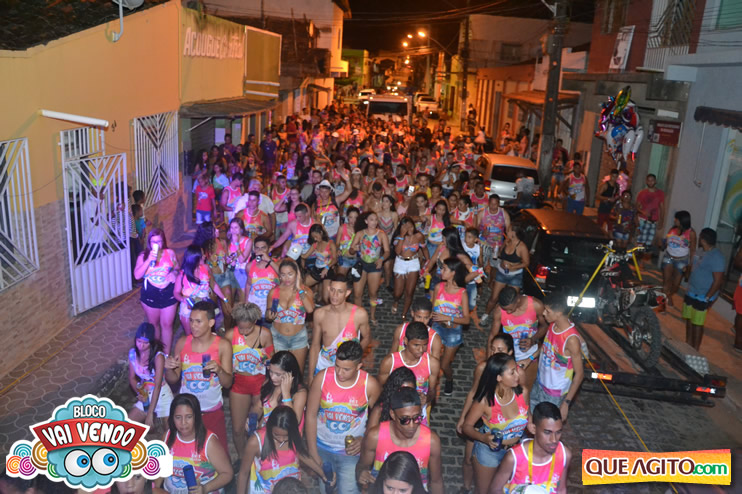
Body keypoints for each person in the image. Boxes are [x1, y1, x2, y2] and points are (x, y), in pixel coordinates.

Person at [305, 341, 381, 494]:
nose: (339, 373)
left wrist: (364, 440)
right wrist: (313, 453)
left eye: (346, 369)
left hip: (351, 454)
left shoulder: (370, 385)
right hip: (322, 447)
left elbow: (379, 419)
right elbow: (311, 415)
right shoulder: (322, 378)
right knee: (325, 489)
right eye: (337, 366)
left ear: (358, 366)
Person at [165, 301, 234, 455]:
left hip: (212, 411)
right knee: (189, 454)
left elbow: (228, 383)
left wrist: (219, 370)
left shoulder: (223, 345)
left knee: (218, 454)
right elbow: (174, 379)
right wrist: (168, 369)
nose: (193, 326)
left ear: (211, 323)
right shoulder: (182, 343)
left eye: (198, 321)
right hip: (187, 413)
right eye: (191, 321)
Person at [457, 333, 518, 494]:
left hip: (500, 424)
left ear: (509, 352)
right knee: (469, 459)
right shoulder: (482, 368)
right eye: (492, 349)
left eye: (500, 350)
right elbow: (473, 392)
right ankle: (466, 487)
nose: (494, 353)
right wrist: (463, 418)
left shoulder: (514, 375)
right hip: (479, 419)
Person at [462, 353, 529, 494]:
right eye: (512, 372)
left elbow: (527, 414)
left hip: (515, 452)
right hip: (489, 453)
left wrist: (532, 423)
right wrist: (483, 438)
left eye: (516, 369)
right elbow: (466, 427)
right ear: (499, 378)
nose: (518, 374)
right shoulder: (485, 401)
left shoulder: (523, 392)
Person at [356, 388, 444, 494]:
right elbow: (362, 466)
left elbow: (436, 481)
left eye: (417, 418)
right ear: (392, 414)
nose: (412, 425)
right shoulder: (375, 436)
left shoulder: (431, 441)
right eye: (405, 420)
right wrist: (361, 473)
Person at [236, 406, 328, 494]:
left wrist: (322, 473)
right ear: (269, 427)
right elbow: (244, 473)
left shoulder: (293, 436)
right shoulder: (256, 442)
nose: (281, 439)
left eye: (286, 436)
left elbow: (302, 454)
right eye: (276, 435)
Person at [488, 402, 571, 494]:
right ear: (533, 429)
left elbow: (561, 490)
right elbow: (495, 490)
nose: (554, 439)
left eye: (558, 432)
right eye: (547, 432)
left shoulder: (564, 455)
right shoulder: (514, 457)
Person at [157, 394, 233, 494]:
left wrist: (205, 488)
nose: (183, 422)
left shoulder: (209, 442)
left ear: (196, 417)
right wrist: (155, 488)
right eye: (178, 417)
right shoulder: (167, 437)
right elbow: (161, 468)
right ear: (172, 418)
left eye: (188, 417)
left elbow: (227, 473)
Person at [226, 302, 274, 457]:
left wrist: (268, 362)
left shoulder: (264, 334)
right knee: (238, 429)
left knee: (256, 427)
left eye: (248, 328)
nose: (244, 332)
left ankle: (258, 458)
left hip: (260, 384)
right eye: (241, 328)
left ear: (255, 322)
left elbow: (272, 361)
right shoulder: (230, 336)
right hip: (239, 385)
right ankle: (243, 459)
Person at [530, 293, 584, 422]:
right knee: (532, 420)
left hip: (554, 393)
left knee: (545, 426)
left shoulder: (571, 340)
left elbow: (580, 374)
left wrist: (566, 403)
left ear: (558, 313)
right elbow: (546, 347)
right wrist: (530, 358)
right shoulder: (552, 325)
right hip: (539, 383)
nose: (543, 313)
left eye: (547, 311)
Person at [309, 275, 371, 380]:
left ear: (347, 293)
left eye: (340, 291)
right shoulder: (320, 314)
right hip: (324, 365)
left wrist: (353, 355)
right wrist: (310, 376)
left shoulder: (359, 314)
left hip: (347, 368)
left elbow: (367, 337)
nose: (335, 295)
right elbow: (315, 345)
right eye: (332, 290)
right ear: (328, 289)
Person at [378, 322, 440, 423]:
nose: (421, 350)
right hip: (393, 414)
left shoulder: (432, 363)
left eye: (425, 345)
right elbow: (380, 389)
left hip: (418, 416)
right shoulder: (390, 362)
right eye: (416, 345)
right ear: (406, 341)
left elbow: (432, 390)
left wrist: (426, 398)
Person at [489, 287, 547, 390]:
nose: (508, 312)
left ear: (518, 300)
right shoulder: (499, 310)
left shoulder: (536, 305)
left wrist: (533, 339)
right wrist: (489, 361)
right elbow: (492, 336)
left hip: (529, 357)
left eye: (510, 309)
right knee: (504, 390)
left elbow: (545, 326)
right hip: (507, 357)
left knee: (525, 389)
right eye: (505, 309)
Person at [134, 229, 179, 352]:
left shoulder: (170, 253)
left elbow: (177, 268)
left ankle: (166, 355)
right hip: (151, 293)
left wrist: (174, 274)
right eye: (153, 242)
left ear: (163, 241)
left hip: (168, 293)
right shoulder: (143, 256)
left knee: (167, 325)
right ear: (149, 242)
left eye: (159, 241)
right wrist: (149, 260)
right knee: (154, 324)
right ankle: (157, 353)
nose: (157, 244)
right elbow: (137, 276)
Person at [431, 257, 471, 396]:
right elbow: (433, 309)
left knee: (444, 364)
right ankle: (429, 383)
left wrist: (448, 318)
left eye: (444, 269)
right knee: (432, 359)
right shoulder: (439, 287)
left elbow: (466, 320)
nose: (441, 271)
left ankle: (449, 379)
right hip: (437, 327)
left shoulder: (462, 293)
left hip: (453, 332)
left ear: (453, 272)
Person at [266, 259, 314, 372]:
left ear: (297, 274)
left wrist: (300, 289)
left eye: (290, 274)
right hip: (277, 337)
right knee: (278, 372)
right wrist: (269, 315)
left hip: (298, 338)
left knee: (297, 372)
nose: (286, 278)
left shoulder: (305, 291)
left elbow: (310, 309)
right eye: (283, 275)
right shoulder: (273, 292)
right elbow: (267, 314)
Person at [682, 228, 725, 350]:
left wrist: (707, 297)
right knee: (689, 319)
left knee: (697, 323)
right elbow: (694, 267)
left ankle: (695, 349)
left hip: (702, 295)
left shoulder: (717, 257)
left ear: (703, 239)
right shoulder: (700, 251)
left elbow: (718, 281)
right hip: (691, 291)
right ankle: (687, 344)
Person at [174, 244, 229, 336]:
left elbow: (213, 284)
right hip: (189, 310)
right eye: (202, 254)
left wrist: (224, 298)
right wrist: (184, 299)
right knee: (192, 336)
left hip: (205, 307)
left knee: (206, 334)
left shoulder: (206, 268)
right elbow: (176, 293)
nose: (204, 256)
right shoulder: (182, 275)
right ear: (195, 258)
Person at [127, 322, 173, 429]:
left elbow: (157, 386)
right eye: (139, 341)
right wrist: (139, 393)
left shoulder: (158, 357)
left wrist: (150, 413)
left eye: (145, 343)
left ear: (151, 342)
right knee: (126, 425)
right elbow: (132, 377)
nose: (141, 345)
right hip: (146, 395)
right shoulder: (133, 354)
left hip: (162, 395)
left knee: (170, 431)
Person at [350, 211, 390, 325]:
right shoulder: (360, 233)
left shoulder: (381, 234)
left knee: (373, 293)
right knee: (357, 293)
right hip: (361, 264)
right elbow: (351, 250)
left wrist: (381, 259)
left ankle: (372, 315)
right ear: (366, 221)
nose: (374, 222)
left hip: (374, 265)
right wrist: (354, 249)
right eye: (371, 220)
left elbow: (387, 251)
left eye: (376, 220)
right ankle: (358, 316)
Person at [483, 225, 530, 321]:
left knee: (512, 300)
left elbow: (526, 263)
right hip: (501, 273)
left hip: (515, 276)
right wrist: (498, 250)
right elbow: (500, 254)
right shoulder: (506, 241)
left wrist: (513, 267)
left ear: (513, 233)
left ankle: (511, 320)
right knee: (494, 297)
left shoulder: (522, 247)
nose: (506, 232)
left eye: (508, 230)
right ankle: (485, 315)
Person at [391, 217, 427, 318]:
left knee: (409, 292)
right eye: (406, 227)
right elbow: (398, 251)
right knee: (398, 292)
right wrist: (402, 236)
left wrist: (428, 262)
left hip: (413, 262)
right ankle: (396, 300)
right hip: (400, 262)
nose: (409, 229)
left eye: (410, 226)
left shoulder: (419, 236)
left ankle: (404, 313)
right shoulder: (398, 237)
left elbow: (424, 249)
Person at [259, 351, 307, 427]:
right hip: (265, 430)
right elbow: (261, 409)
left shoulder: (300, 392)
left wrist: (286, 394)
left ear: (290, 374)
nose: (272, 377)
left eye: (278, 374)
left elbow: (294, 421)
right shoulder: (269, 383)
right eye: (271, 372)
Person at [662, 210, 696, 307]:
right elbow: (666, 242)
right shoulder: (672, 229)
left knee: (676, 285)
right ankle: (662, 304)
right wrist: (662, 243)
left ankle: (668, 295)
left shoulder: (691, 233)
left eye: (676, 219)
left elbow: (693, 250)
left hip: (682, 261)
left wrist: (691, 265)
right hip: (668, 257)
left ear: (682, 220)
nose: (674, 220)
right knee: (666, 281)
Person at [477, 195, 510, 285]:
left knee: (496, 265)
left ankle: (491, 282)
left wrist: (506, 244)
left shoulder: (503, 213)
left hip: (497, 245)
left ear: (498, 204)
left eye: (495, 204)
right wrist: (482, 232)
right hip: (483, 243)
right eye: (491, 204)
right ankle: (480, 282)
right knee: (481, 264)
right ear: (488, 203)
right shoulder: (482, 213)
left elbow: (508, 230)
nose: (493, 207)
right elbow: (476, 228)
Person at [302, 224, 338, 304]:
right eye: (313, 237)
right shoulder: (315, 244)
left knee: (326, 298)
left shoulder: (330, 244)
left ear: (321, 233)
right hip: (317, 269)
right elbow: (305, 256)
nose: (315, 239)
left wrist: (327, 268)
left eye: (316, 236)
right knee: (302, 285)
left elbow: (335, 259)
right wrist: (296, 252)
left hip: (327, 270)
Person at [245, 236, 280, 317]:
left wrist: (269, 261)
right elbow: (248, 285)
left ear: (269, 249)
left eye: (263, 248)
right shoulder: (249, 266)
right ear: (254, 250)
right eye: (257, 248)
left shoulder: (277, 264)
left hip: (271, 307)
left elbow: (283, 275)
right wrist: (246, 302)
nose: (260, 251)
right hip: (255, 308)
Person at [635, 174, 665, 260]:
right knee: (640, 240)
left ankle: (642, 262)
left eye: (652, 180)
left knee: (649, 243)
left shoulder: (660, 193)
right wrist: (643, 212)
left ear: (655, 181)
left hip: (653, 221)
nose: (650, 182)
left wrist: (661, 220)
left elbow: (662, 208)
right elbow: (636, 206)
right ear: (646, 182)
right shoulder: (642, 193)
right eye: (648, 180)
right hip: (643, 220)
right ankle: (637, 259)